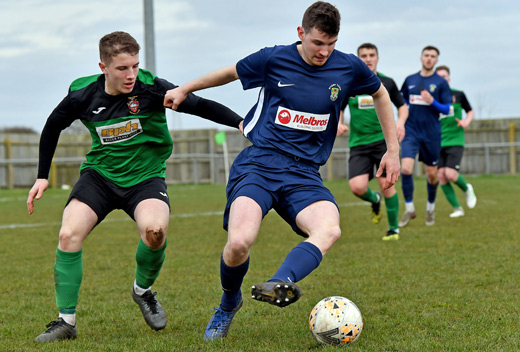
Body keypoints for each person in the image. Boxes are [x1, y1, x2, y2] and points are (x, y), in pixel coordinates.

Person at [164, 1, 400, 341]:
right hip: (260, 163)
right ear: (301, 33)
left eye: (331, 45)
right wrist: (186, 88)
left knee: (329, 229)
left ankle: (282, 281)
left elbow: (381, 94)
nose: (324, 52)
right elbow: (229, 72)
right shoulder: (274, 58)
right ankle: (228, 303)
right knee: (239, 243)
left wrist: (392, 151)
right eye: (318, 43)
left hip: (304, 173)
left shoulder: (347, 67)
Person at [26, 31, 243, 343]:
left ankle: (143, 291)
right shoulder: (83, 94)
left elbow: (199, 104)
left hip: (145, 178)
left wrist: (241, 123)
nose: (131, 75)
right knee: (68, 234)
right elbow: (52, 126)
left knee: (155, 232)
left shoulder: (151, 88)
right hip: (100, 177)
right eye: (122, 69)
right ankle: (65, 322)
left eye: (134, 66)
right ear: (103, 66)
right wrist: (43, 176)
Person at [337, 43, 408, 240]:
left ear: (377, 58)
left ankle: (393, 228)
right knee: (357, 187)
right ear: (358, 59)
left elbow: (403, 107)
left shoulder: (388, 82)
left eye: (371, 55)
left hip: (384, 142)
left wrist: (400, 122)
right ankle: (374, 199)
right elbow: (339, 107)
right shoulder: (349, 83)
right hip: (358, 143)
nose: (368, 59)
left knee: (387, 183)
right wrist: (339, 123)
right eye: (363, 56)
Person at [398, 45, 452, 227]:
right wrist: (404, 110)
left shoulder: (441, 83)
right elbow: (401, 100)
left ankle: (430, 208)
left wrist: (432, 101)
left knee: (432, 175)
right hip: (411, 131)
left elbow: (446, 108)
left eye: (433, 56)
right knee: (405, 168)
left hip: (431, 133)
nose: (429, 59)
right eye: (426, 55)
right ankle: (409, 208)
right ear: (421, 58)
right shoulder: (410, 80)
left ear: (436, 60)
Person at [435, 65, 477, 217]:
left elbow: (470, 111)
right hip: (438, 142)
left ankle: (467, 189)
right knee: (441, 176)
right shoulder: (432, 99)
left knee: (451, 174)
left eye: (444, 76)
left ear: (449, 79)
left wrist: (466, 121)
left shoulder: (458, 95)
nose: (442, 79)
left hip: (455, 140)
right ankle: (457, 208)